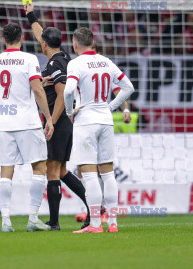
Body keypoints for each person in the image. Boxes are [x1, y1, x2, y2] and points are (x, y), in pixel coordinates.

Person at [25, 2, 91, 231]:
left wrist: (51, 120)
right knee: (61, 171)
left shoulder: (55, 63)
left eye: (40, 40)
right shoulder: (62, 56)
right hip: (64, 120)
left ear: (44, 44)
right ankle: (94, 208)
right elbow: (40, 33)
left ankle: (54, 223)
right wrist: (31, 14)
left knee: (52, 170)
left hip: (59, 120)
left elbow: (63, 93)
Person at [64, 27, 134, 233]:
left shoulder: (75, 63)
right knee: (108, 172)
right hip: (105, 120)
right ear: (92, 42)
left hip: (86, 120)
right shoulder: (106, 62)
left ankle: (95, 223)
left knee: (89, 174)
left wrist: (70, 111)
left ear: (75, 44)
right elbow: (128, 87)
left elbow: (69, 90)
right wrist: (110, 107)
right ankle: (113, 223)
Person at [0, 23, 54, 232]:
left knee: (6, 171)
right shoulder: (29, 59)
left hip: (5, 123)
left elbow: (11, 85)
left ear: (3, 39)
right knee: (39, 168)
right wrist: (49, 118)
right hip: (27, 121)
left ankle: (5, 220)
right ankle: (33, 218)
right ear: (22, 38)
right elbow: (36, 89)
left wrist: (35, 82)